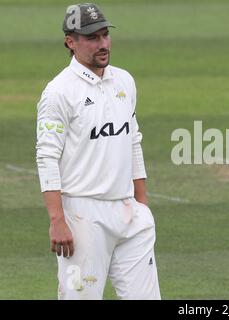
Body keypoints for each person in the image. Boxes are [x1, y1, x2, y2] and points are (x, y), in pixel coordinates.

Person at [36, 3, 160, 299]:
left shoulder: (124, 81)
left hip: (130, 212)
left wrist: (141, 205)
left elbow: (133, 141)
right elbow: (46, 156)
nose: (103, 44)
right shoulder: (59, 92)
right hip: (83, 218)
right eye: (92, 38)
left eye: (105, 35)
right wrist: (57, 220)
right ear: (71, 42)